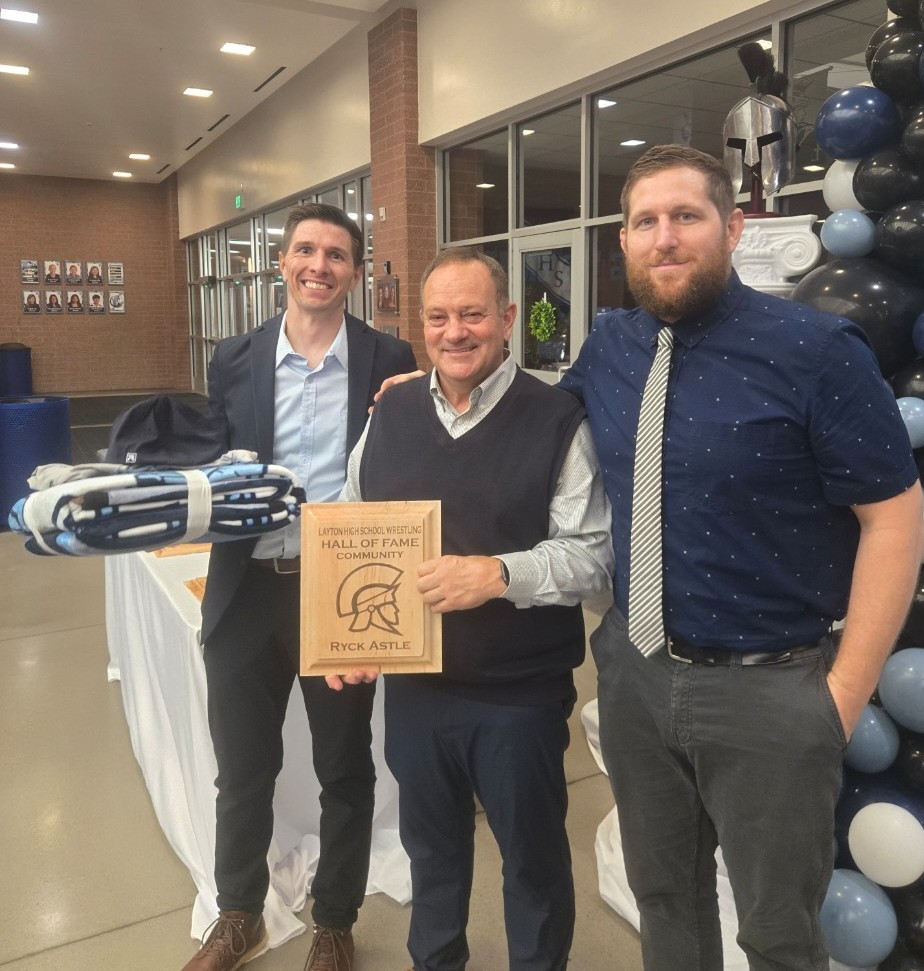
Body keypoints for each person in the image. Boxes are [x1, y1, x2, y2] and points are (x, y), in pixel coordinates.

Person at [557, 144, 924, 971]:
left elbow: (893, 519)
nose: (664, 237)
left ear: (732, 227)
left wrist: (839, 697)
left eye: (685, 216)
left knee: (777, 933)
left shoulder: (816, 349)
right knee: (664, 901)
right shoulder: (608, 345)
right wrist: (426, 388)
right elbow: (529, 427)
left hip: (770, 692)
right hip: (635, 676)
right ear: (623, 239)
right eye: (645, 221)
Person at [336, 247, 613, 971]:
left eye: (472, 314)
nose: (454, 332)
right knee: (430, 855)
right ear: (419, 323)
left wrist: (497, 574)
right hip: (416, 690)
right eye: (438, 317)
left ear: (508, 317)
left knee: (532, 862)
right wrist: (346, 638)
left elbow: (591, 556)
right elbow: (351, 521)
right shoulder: (391, 412)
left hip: (518, 696)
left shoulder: (557, 420)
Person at [182, 203, 416, 971]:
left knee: (344, 765)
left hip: (341, 591)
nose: (319, 265)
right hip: (246, 589)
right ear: (281, 261)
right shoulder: (234, 357)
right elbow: (216, 462)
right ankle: (237, 913)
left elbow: (408, 463)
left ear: (356, 271)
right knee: (242, 767)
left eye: (337, 254)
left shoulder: (389, 358)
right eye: (306, 250)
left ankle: (336, 921)